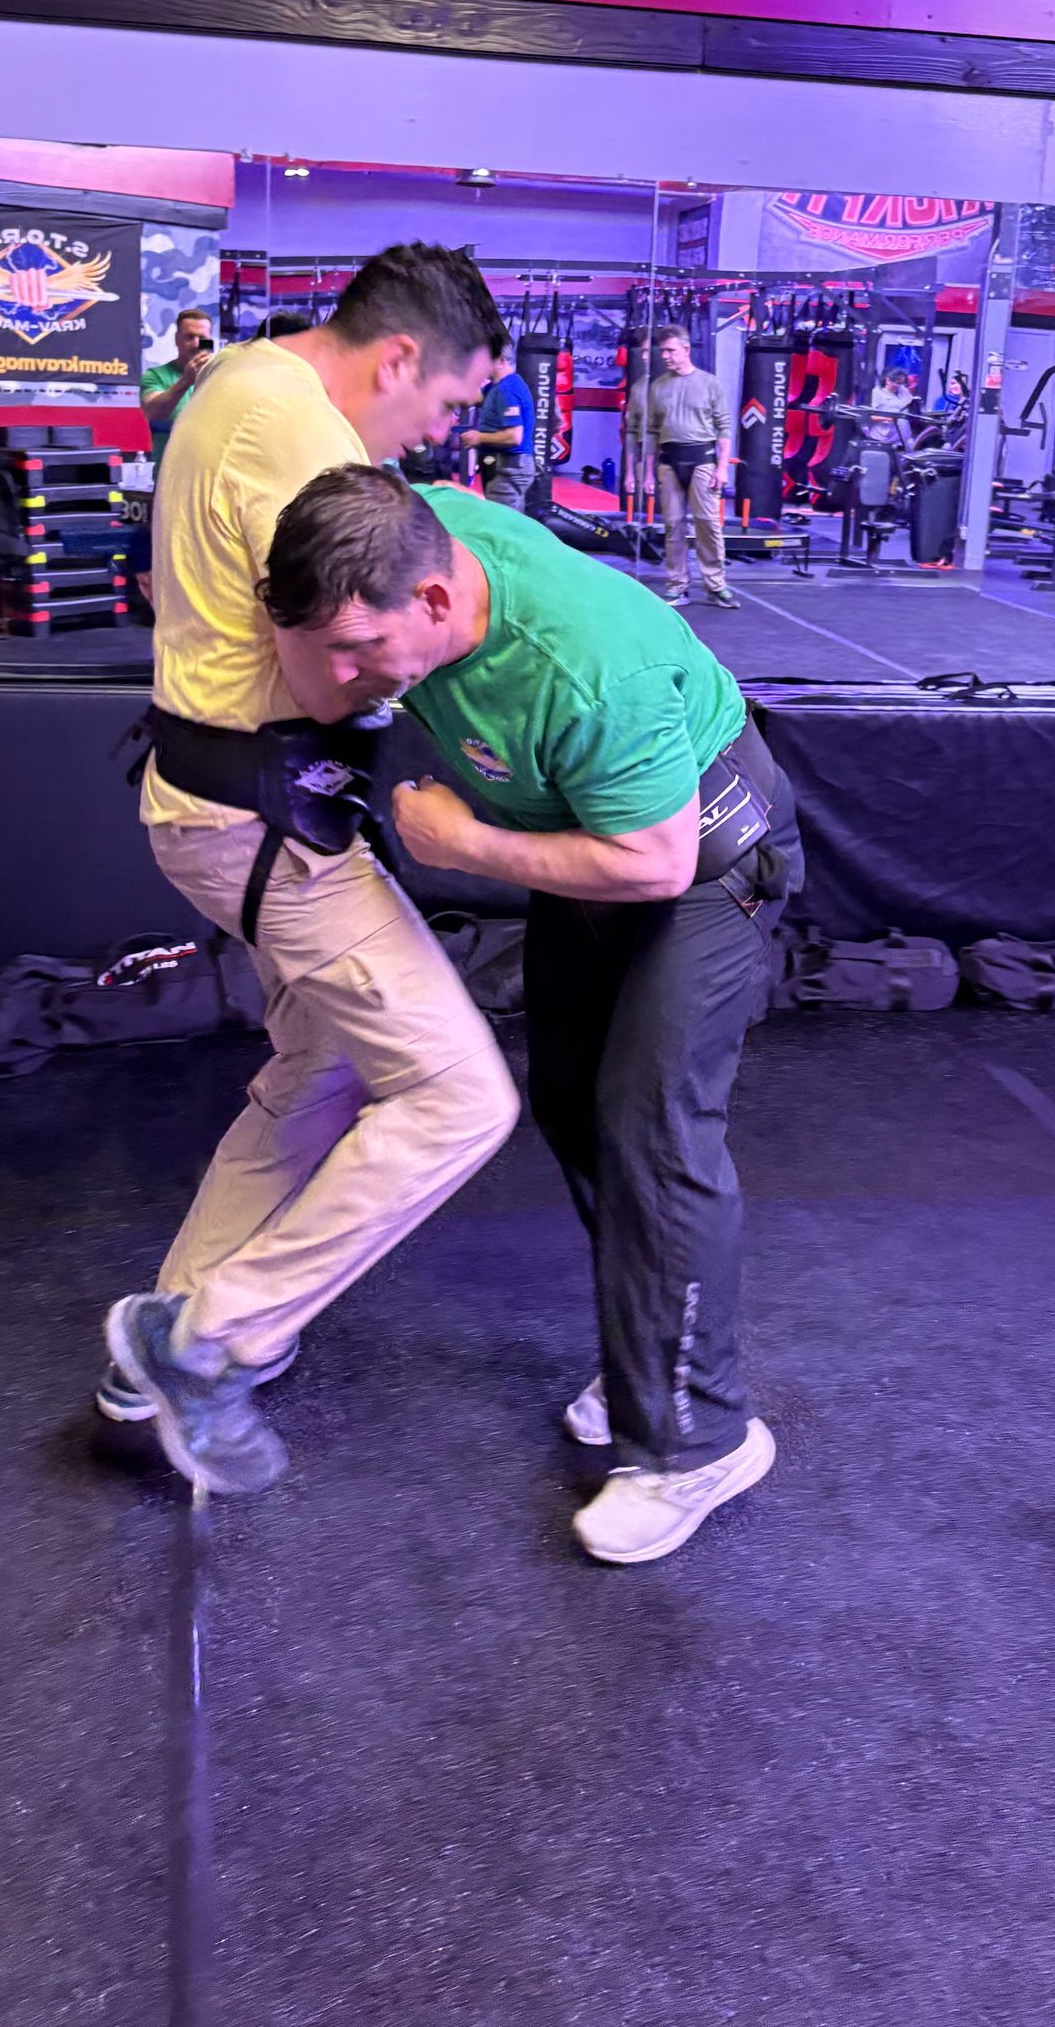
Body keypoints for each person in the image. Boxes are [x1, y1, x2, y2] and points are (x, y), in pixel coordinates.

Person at [261, 465, 801, 1566]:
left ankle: (700, 1439)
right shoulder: (411, 533)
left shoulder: (588, 669)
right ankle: (650, 1348)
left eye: (363, 649)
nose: (346, 675)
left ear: (437, 604)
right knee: (568, 1102)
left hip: (698, 865)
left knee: (653, 1126)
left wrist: (461, 844)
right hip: (588, 845)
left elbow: (657, 862)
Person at [99, 246, 520, 1495]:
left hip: (224, 805)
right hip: (264, 822)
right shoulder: (293, 434)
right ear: (397, 358)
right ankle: (205, 1342)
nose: (439, 435)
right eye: (444, 406)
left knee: (325, 1059)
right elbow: (339, 660)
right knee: (458, 1098)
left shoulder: (239, 382)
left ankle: (165, 1335)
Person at [628, 325, 738, 609]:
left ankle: (716, 585)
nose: (665, 356)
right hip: (669, 462)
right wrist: (648, 472)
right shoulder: (657, 386)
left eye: (671, 350)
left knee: (707, 524)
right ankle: (677, 587)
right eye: (662, 350)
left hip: (702, 460)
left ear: (686, 350)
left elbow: (724, 428)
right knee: (672, 526)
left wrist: (723, 468)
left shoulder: (709, 383)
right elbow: (651, 432)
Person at [458, 347, 536, 509]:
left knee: (501, 521)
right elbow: (470, 399)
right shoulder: (496, 387)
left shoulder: (506, 390)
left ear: (501, 361)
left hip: (509, 468)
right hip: (503, 466)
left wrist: (479, 437)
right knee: (510, 520)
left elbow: (514, 436)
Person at [139, 307, 217, 467]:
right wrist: (186, 380)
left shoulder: (221, 376)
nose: (195, 344)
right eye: (189, 337)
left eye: (201, 338)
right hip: (169, 474)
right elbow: (152, 412)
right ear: (176, 339)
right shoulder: (156, 376)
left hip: (209, 472)